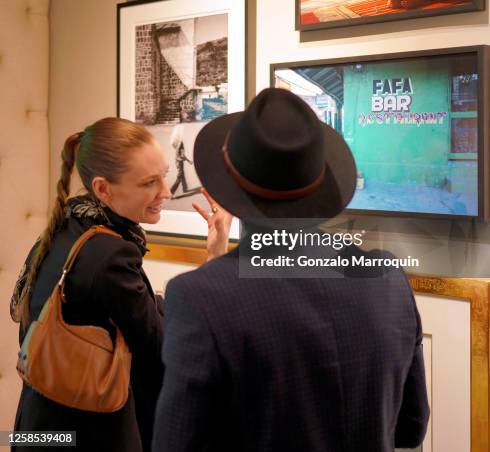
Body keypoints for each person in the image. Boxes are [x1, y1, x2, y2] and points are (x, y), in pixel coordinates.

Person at [152, 88, 430, 452]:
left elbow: (177, 442)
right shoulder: (388, 278)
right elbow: (410, 428)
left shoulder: (199, 297)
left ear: (229, 184)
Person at [10, 117, 229, 452]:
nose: (167, 193)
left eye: (164, 176)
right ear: (102, 188)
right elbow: (163, 349)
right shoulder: (110, 254)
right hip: (87, 432)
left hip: (39, 425)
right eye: (149, 183)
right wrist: (215, 260)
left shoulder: (67, 227)